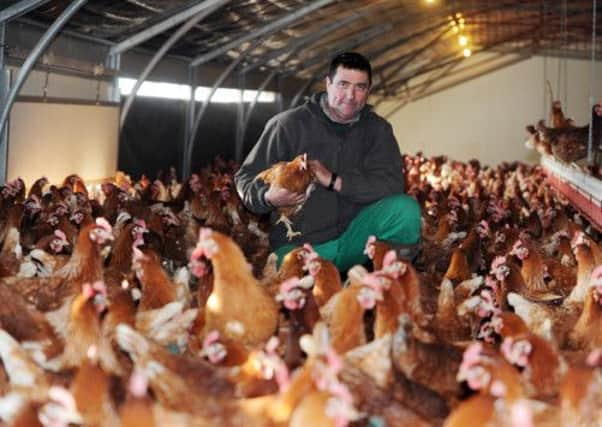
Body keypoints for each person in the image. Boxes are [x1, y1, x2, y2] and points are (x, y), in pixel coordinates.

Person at [234, 52, 421, 272]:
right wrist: (267, 196)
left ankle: (392, 276)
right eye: (343, 84)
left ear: (368, 91)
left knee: (406, 209)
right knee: (292, 289)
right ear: (328, 83)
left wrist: (335, 181)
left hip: (356, 240)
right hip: (302, 245)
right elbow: (245, 177)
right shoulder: (288, 125)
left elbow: (392, 184)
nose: (351, 95)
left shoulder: (378, 130)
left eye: (360, 87)